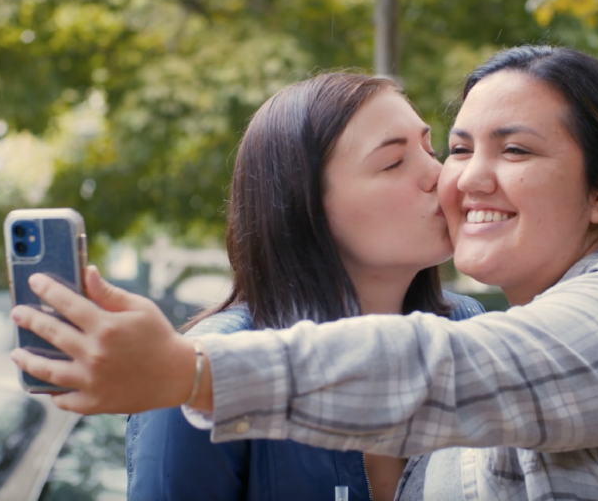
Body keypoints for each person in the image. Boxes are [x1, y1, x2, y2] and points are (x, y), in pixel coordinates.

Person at [10, 45, 598, 499]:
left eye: (514, 151)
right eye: (461, 147)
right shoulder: (212, 361)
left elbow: (445, 375)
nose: (453, 177)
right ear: (305, 202)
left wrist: (188, 371)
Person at [126, 73, 485, 501]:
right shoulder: (197, 375)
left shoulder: (469, 330)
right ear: (306, 205)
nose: (443, 176)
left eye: (432, 150)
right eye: (393, 162)